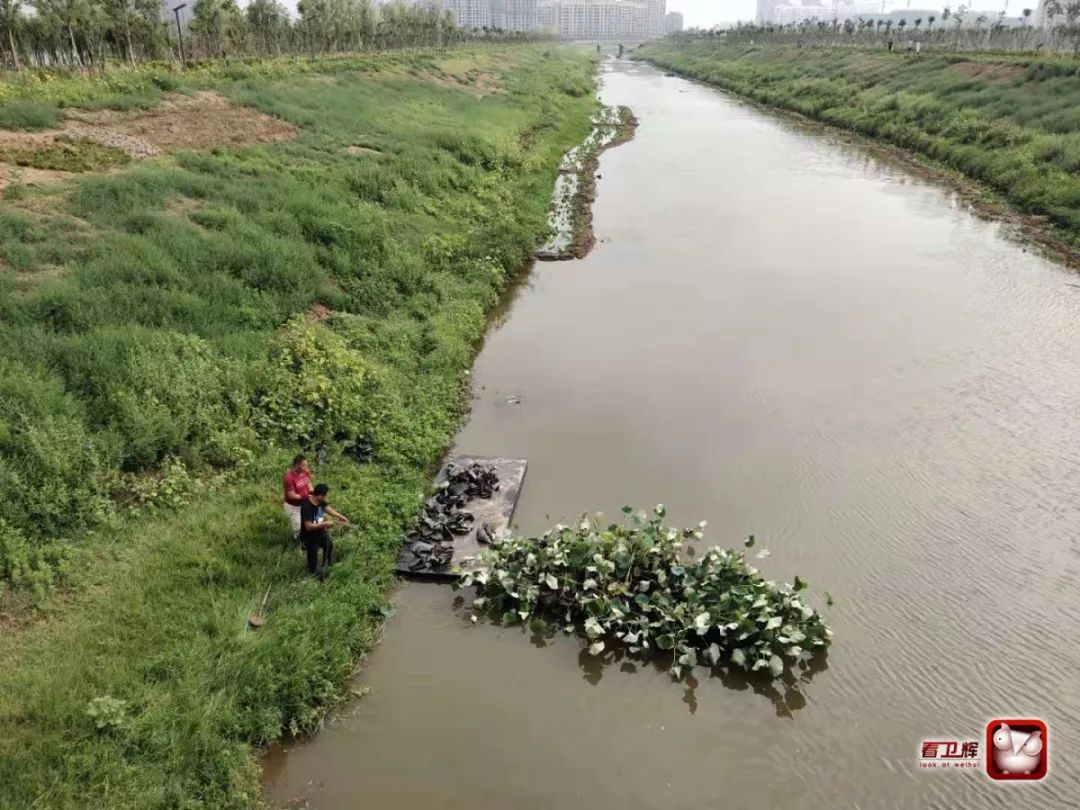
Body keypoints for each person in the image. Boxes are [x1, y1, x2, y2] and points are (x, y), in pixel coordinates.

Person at [300, 483, 349, 579]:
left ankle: (327, 563)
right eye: (325, 495)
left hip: (321, 532)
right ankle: (314, 575)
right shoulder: (306, 507)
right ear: (319, 495)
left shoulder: (321, 502)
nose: (326, 497)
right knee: (312, 561)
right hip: (310, 536)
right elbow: (308, 527)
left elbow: (328, 509)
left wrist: (341, 517)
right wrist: (324, 524)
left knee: (329, 545)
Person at [283, 455, 311, 539]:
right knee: (298, 528)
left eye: (306, 465)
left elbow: (308, 483)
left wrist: (313, 493)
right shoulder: (289, 478)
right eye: (303, 465)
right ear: (296, 465)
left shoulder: (305, 472)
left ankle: (307, 541)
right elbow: (291, 495)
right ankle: (297, 543)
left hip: (304, 503)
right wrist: (306, 496)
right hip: (293, 506)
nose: (306, 468)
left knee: (308, 524)